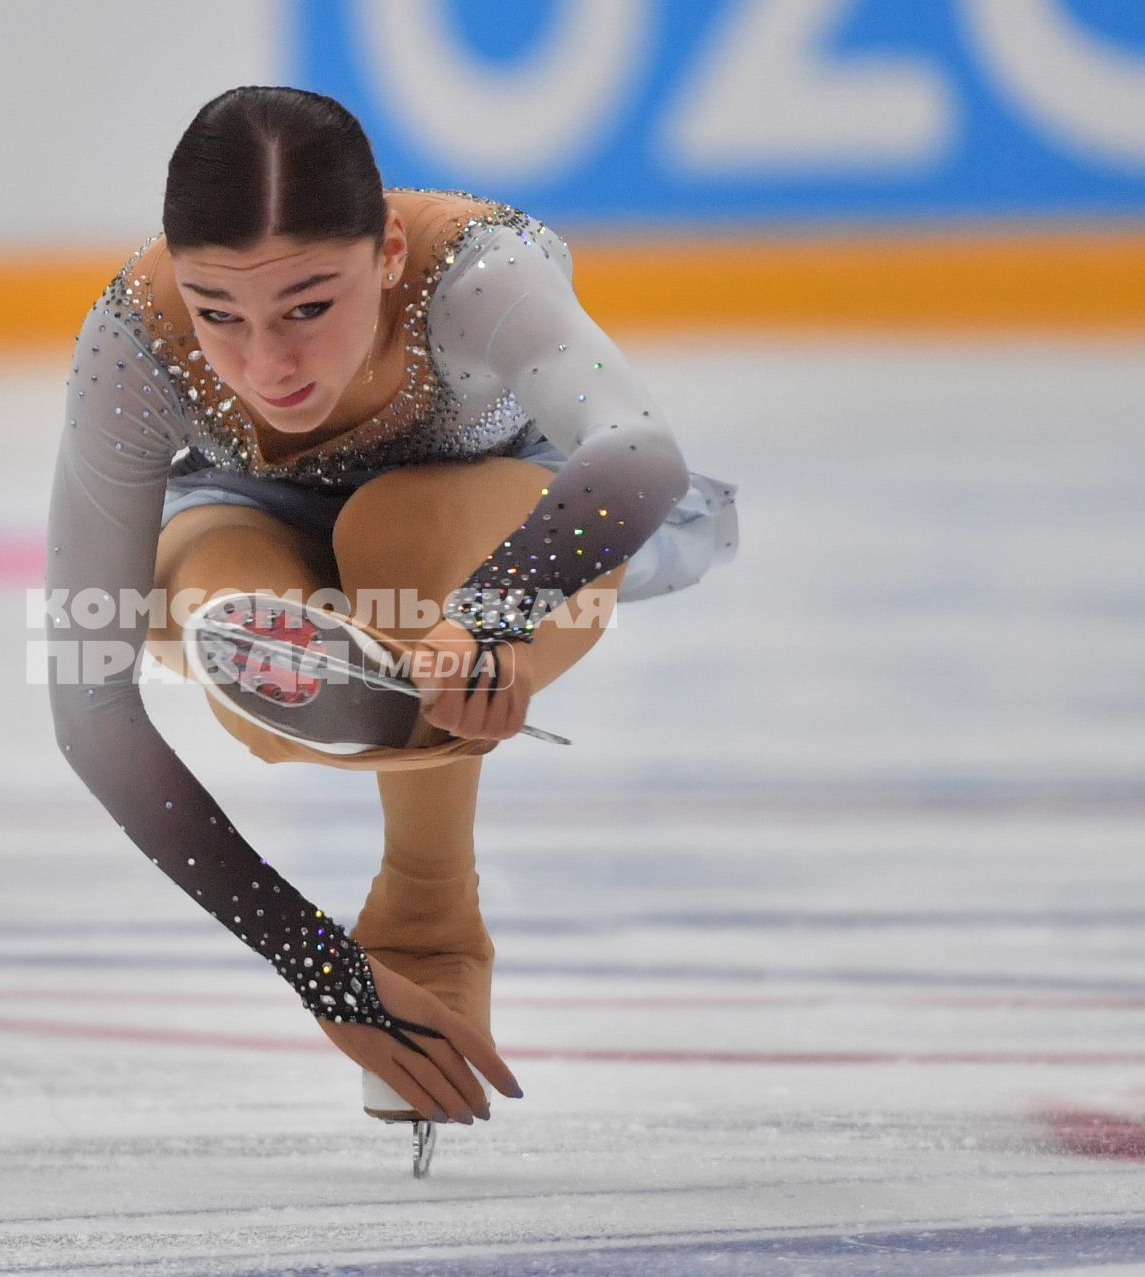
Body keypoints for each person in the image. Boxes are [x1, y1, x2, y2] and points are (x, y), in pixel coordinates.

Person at [43, 86, 738, 1128]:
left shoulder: (474, 272)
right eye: (218, 314)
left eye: (308, 308)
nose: (264, 362)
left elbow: (640, 452)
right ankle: (352, 711)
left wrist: (499, 611)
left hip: (505, 526)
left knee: (400, 536)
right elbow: (89, 706)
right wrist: (324, 969)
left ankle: (429, 902)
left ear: (387, 259)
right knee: (224, 594)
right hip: (254, 516)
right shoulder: (132, 339)